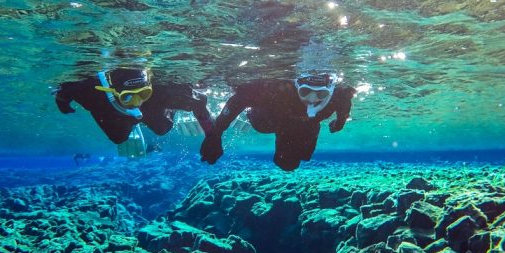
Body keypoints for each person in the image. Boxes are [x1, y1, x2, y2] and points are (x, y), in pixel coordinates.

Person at [200, 72, 355, 171]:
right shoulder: (278, 93)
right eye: (306, 92)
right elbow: (239, 99)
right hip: (270, 120)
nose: (312, 100)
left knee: (300, 154)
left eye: (320, 93)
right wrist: (216, 134)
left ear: (329, 90)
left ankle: (291, 150)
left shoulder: (337, 97)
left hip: (284, 123)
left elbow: (344, 104)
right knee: (295, 153)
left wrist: (216, 134)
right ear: (297, 86)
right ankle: (290, 150)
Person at [55, 68, 214, 148]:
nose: (138, 102)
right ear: (112, 93)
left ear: (150, 87)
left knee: (163, 129)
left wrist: (212, 137)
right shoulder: (93, 93)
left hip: (153, 107)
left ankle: (167, 110)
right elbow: (65, 92)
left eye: (143, 93)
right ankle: (132, 124)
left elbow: (200, 101)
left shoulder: (162, 91)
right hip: (111, 112)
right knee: (118, 139)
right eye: (129, 96)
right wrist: (63, 103)